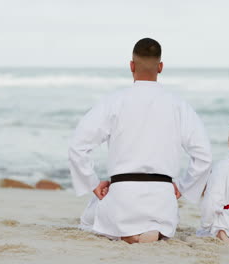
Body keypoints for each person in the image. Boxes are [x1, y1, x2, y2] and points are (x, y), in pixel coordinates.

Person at [68, 38, 212, 243]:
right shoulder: (178, 105)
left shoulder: (114, 101)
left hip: (123, 194)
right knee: (158, 214)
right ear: (160, 67)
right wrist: (183, 186)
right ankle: (152, 229)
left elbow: (77, 146)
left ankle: (129, 233)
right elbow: (204, 156)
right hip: (162, 199)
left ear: (131, 66)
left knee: (88, 220)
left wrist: (92, 183)